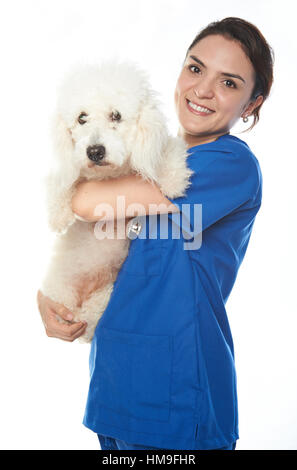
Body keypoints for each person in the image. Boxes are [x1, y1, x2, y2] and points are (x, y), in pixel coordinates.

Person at [37, 17, 274, 450]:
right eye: (196, 68)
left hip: (180, 394)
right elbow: (98, 246)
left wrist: (75, 189)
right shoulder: (145, 156)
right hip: (115, 383)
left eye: (230, 83)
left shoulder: (230, 165)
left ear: (252, 103)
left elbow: (91, 201)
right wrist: (52, 295)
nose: (202, 90)